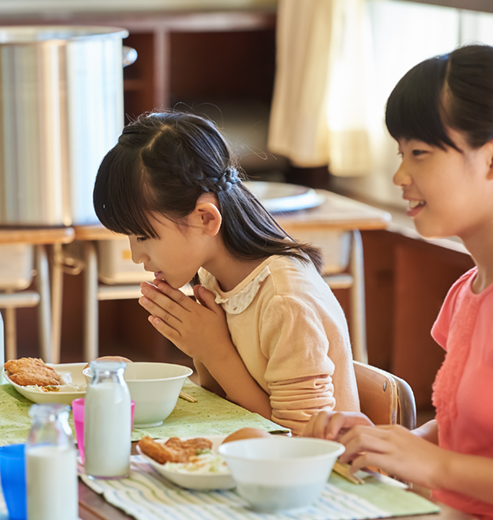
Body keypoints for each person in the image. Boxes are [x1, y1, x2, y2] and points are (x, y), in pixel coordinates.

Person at [304, 45, 493, 519]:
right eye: (401, 153)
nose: (400, 174)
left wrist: (435, 466)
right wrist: (389, 445)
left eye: (419, 153)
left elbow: (451, 464)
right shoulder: (468, 290)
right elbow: (471, 433)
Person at [92, 111, 360, 435]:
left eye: (144, 236)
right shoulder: (213, 278)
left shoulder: (285, 300)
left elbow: (299, 442)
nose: (137, 256)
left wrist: (214, 352)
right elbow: (223, 404)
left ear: (206, 219)